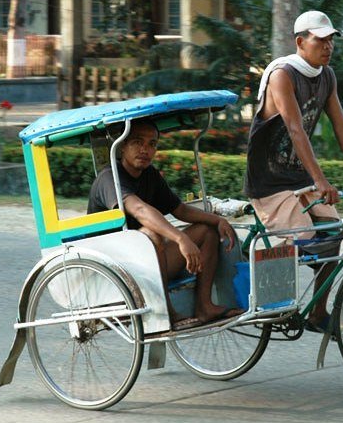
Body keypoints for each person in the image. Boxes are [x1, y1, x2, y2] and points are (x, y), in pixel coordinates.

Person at [244, 10, 343, 336]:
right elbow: (295, 128)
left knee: (334, 233)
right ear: (300, 42)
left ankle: (318, 314)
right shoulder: (282, 75)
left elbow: (342, 127)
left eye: (331, 39)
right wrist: (321, 181)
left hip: (298, 177)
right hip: (269, 181)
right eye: (321, 39)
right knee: (305, 240)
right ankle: (270, 301)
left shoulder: (327, 77)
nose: (328, 46)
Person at [88, 119, 243, 331]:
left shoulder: (150, 175)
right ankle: (165, 312)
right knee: (150, 235)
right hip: (115, 269)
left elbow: (179, 209)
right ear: (122, 145)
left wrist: (217, 220)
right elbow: (139, 210)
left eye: (152, 144)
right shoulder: (109, 177)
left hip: (146, 266)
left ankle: (204, 306)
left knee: (206, 232)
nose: (145, 149)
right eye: (137, 142)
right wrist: (180, 238)